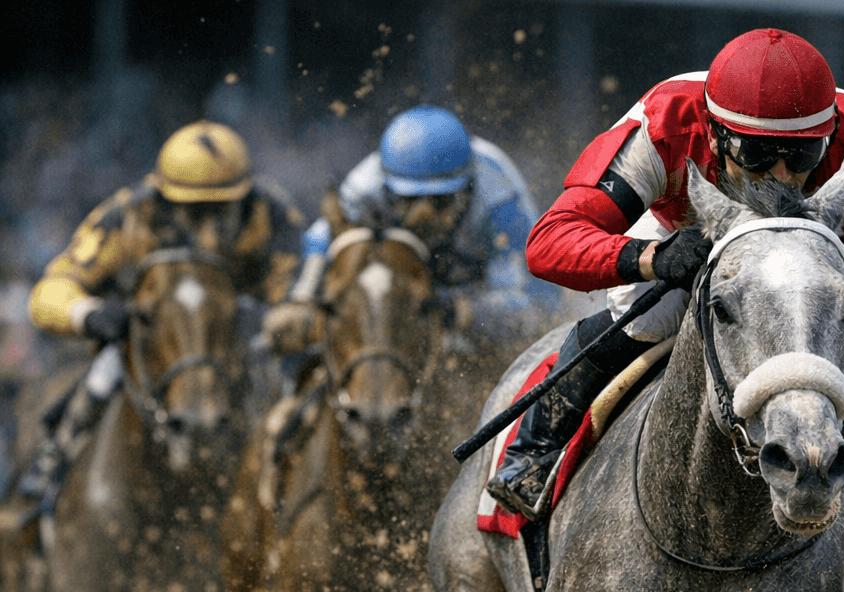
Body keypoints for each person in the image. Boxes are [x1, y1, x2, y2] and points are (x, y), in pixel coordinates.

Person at [486, 28, 844, 564]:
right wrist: (651, 258)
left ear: (830, 136)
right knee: (643, 318)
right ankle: (537, 447)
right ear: (714, 135)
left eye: (802, 155)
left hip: (821, 259)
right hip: (694, 234)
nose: (781, 176)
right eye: (756, 153)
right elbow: (549, 242)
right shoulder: (664, 123)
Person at [18, 120, 306, 512]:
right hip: (146, 336)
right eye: (194, 210)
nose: (208, 227)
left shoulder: (270, 211)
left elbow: (298, 290)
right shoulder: (130, 213)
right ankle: (54, 459)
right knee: (105, 371)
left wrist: (280, 318)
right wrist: (88, 314)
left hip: (235, 333)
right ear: (165, 196)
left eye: (221, 208)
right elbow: (51, 289)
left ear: (244, 194)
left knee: (284, 381)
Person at [271, 105, 555, 355]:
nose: (423, 217)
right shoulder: (366, 186)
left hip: (478, 289)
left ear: (468, 188)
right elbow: (321, 240)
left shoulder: (500, 198)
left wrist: (461, 312)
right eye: (408, 200)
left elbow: (539, 306)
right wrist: (301, 300)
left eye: (440, 201)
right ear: (386, 187)